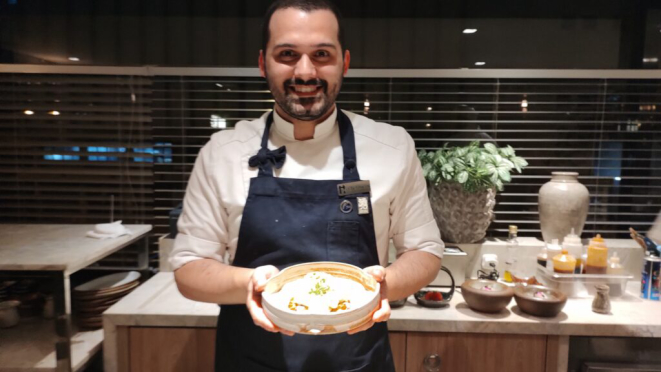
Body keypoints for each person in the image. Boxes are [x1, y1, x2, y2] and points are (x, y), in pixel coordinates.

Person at [170, 0, 444, 370]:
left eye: (321, 54)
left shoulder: (392, 147)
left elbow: (424, 251)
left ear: (344, 63)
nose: (304, 71)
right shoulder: (222, 152)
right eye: (286, 54)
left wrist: (384, 284)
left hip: (358, 360)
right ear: (262, 62)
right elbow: (189, 268)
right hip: (250, 359)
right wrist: (251, 283)